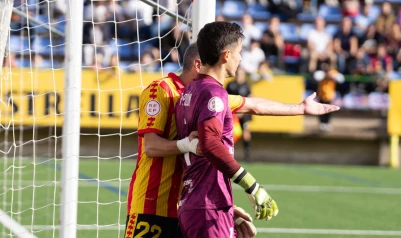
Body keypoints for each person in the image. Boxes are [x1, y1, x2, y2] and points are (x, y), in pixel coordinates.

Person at [125, 41, 340, 237]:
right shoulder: (160, 90)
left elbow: (255, 105)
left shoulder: (208, 95)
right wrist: (186, 145)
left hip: (185, 207)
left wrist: (301, 108)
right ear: (200, 64)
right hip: (151, 205)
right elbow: (151, 147)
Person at [175, 21, 278, 238]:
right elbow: (210, 144)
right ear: (226, 55)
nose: (241, 59)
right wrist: (252, 185)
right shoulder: (214, 93)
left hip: (198, 203)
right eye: (239, 52)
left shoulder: (190, 91)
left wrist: (229, 209)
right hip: (208, 208)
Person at [226, 67, 252, 162]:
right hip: (233, 114)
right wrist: (235, 112)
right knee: (231, 134)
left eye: (242, 74)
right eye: (238, 73)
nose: (240, 76)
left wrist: (243, 111)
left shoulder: (246, 85)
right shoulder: (230, 85)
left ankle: (247, 155)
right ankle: (229, 154)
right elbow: (226, 99)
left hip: (244, 114)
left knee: (246, 132)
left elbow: (250, 99)